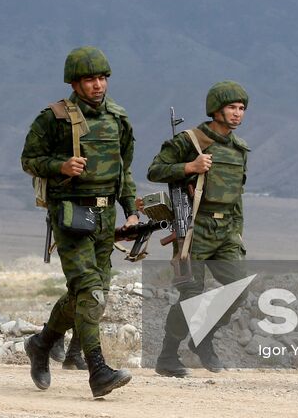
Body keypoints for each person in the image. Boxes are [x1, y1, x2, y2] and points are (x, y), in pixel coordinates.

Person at [19, 47, 137, 398]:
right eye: (89, 79)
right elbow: (29, 159)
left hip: (105, 216)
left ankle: (42, 344)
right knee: (90, 290)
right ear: (74, 82)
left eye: (102, 78)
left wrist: (130, 209)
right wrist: (61, 166)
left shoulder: (118, 118)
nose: (97, 85)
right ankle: (98, 370)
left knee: (89, 296)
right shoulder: (53, 118)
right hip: (70, 213)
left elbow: (123, 171)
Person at [146, 81, 251, 377]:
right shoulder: (191, 141)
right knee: (191, 295)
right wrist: (189, 167)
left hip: (226, 231)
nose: (237, 114)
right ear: (216, 109)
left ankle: (203, 338)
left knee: (239, 288)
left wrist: (238, 232)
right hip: (193, 228)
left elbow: (237, 196)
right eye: (232, 107)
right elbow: (155, 170)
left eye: (241, 108)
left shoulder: (239, 149)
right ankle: (167, 357)